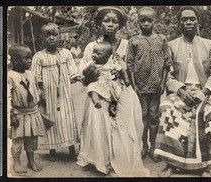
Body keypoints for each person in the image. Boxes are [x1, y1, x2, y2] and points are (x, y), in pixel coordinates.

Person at [77, 6, 149, 177]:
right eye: (106, 21)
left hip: (121, 88)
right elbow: (84, 75)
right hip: (99, 88)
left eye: (114, 21)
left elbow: (131, 70)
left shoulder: (127, 45)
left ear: (120, 25)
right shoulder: (91, 47)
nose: (110, 25)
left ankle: (123, 155)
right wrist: (92, 73)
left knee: (126, 111)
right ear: (100, 23)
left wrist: (122, 74)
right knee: (98, 110)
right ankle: (101, 159)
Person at [154, 7, 211, 177]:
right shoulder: (171, 46)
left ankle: (204, 166)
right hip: (180, 92)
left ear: (197, 21)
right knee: (167, 109)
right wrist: (181, 91)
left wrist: (204, 92)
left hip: (203, 92)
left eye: (192, 19)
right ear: (180, 23)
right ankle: (171, 162)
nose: (188, 22)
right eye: (184, 19)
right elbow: (168, 76)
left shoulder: (209, 45)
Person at [126, 7, 172, 162]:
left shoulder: (162, 39)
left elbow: (167, 63)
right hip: (140, 86)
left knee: (154, 117)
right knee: (142, 116)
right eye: (142, 20)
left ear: (155, 21)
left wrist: (163, 83)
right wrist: (134, 85)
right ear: (138, 21)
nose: (145, 23)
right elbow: (130, 65)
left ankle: (154, 146)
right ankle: (143, 145)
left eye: (149, 20)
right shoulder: (134, 41)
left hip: (156, 86)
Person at [31, 23, 79, 161]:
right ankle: (52, 150)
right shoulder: (39, 56)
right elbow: (35, 77)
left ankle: (71, 148)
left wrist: (77, 78)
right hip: (48, 94)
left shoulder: (66, 53)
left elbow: (73, 71)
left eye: (54, 35)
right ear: (42, 38)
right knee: (51, 119)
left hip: (64, 93)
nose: (51, 38)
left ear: (60, 37)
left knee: (67, 117)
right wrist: (40, 93)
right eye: (47, 35)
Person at [8, 44, 46, 173]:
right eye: (26, 58)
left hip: (32, 112)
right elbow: (8, 97)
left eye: (30, 58)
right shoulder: (10, 76)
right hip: (19, 113)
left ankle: (31, 161)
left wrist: (41, 96)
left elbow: (35, 89)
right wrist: (11, 114)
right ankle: (17, 162)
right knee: (17, 140)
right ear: (15, 60)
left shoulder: (31, 74)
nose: (30, 61)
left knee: (32, 138)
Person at [84, 42, 130, 117]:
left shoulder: (111, 63)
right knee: (92, 89)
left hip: (109, 83)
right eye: (94, 53)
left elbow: (122, 70)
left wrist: (126, 79)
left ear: (106, 57)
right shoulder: (92, 64)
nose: (94, 55)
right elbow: (84, 72)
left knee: (114, 95)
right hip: (97, 83)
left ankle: (112, 107)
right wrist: (89, 71)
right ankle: (96, 101)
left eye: (98, 54)